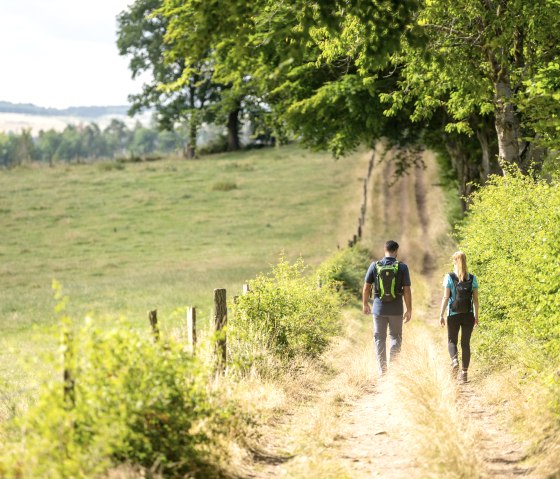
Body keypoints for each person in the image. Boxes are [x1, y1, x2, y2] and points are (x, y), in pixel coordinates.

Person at [362, 240, 412, 376]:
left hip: (378, 309)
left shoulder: (374, 265)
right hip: (396, 309)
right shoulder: (402, 267)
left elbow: (366, 288)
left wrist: (365, 304)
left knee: (379, 338)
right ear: (396, 251)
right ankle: (394, 371)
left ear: (384, 250)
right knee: (395, 337)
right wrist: (409, 310)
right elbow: (407, 290)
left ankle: (382, 372)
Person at [439, 251, 479, 383]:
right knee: (465, 344)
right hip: (468, 315)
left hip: (453, 315)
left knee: (452, 341)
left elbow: (446, 297)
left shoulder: (449, 277)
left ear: (455, 262)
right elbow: (476, 300)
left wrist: (441, 314)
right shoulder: (473, 278)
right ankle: (464, 374)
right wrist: (476, 316)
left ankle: (454, 360)